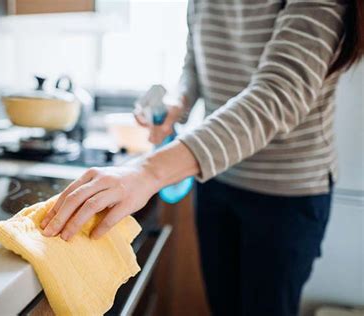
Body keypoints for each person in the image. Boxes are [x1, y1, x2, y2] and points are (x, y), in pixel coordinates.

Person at [40, 0, 363, 315]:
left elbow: (278, 94)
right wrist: (178, 104)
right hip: (217, 179)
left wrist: (147, 172)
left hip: (286, 193)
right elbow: (195, 66)